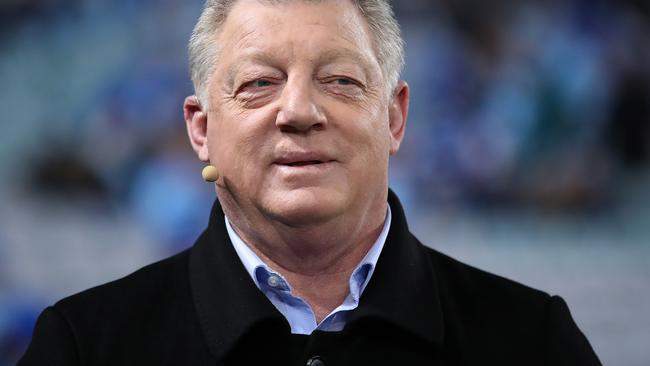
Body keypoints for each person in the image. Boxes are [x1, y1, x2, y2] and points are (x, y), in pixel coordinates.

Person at [19, 0, 601, 365]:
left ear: (395, 118)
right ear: (201, 129)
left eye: (342, 80)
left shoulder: (534, 341)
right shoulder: (83, 345)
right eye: (258, 83)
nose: (298, 110)